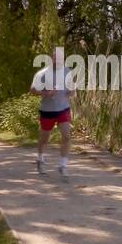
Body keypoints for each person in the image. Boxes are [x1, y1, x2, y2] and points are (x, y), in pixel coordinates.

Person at [29, 47, 74, 177]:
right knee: (44, 138)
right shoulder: (43, 73)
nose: (58, 60)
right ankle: (40, 159)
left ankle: (63, 165)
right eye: (56, 57)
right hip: (47, 110)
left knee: (66, 136)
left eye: (61, 58)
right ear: (51, 58)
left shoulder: (68, 72)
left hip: (63, 108)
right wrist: (46, 93)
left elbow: (72, 89)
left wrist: (72, 92)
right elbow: (32, 90)